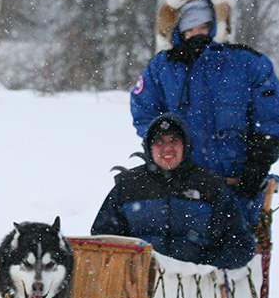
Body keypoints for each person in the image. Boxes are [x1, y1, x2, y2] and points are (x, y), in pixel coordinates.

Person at [130, 0, 279, 226]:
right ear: (177, 30)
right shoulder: (160, 68)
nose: (196, 34)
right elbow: (145, 114)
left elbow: (272, 119)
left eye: (203, 27)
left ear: (217, 25)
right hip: (182, 185)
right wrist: (161, 153)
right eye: (189, 28)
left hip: (239, 186)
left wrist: (258, 163)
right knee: (183, 257)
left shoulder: (248, 63)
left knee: (240, 256)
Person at [92, 114, 257, 270]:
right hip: (139, 283)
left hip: (197, 286)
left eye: (174, 140)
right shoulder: (128, 185)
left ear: (186, 145)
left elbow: (241, 243)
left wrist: (209, 271)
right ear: (149, 147)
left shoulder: (210, 186)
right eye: (159, 142)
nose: (167, 148)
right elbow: (103, 239)